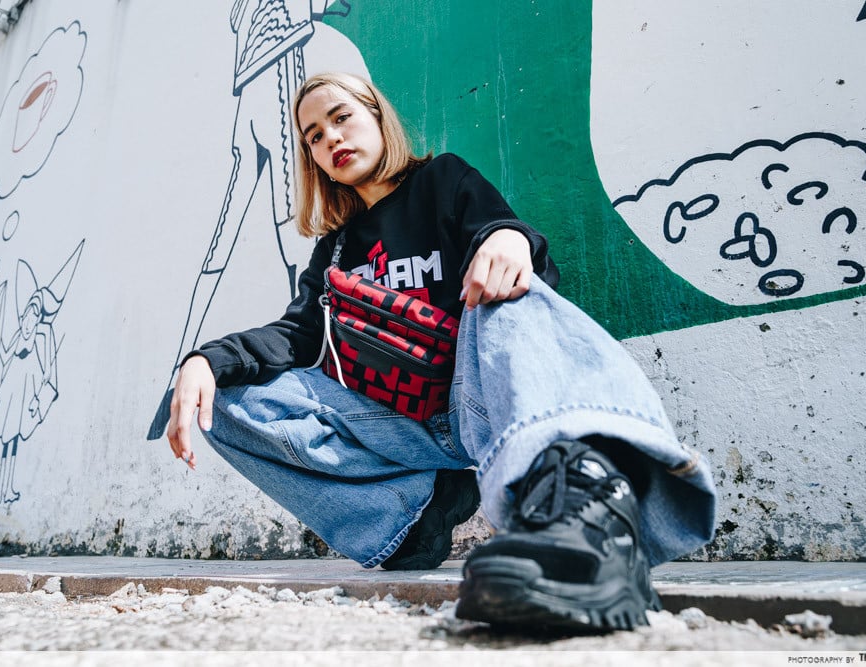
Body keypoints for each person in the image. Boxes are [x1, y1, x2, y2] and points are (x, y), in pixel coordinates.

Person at [166, 72, 717, 632]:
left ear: (377, 116)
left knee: (502, 291)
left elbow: (508, 251)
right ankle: (414, 516)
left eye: (341, 117)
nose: (330, 138)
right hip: (394, 422)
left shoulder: (442, 180)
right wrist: (205, 361)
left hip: (479, 399)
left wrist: (508, 236)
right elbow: (296, 335)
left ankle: (589, 525)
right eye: (313, 135)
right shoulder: (334, 248)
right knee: (223, 403)